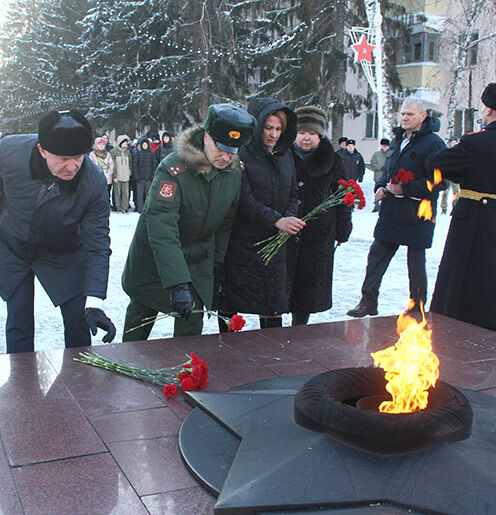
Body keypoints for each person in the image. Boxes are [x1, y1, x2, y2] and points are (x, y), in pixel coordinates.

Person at [0, 110, 116, 351]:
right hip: (12, 244)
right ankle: (21, 373)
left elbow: (98, 242)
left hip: (63, 249)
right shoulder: (9, 153)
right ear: (42, 150)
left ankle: (80, 371)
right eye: (63, 159)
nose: (72, 167)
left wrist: (94, 302)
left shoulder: (93, 181)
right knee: (19, 318)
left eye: (78, 157)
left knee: (78, 317)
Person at [121, 103, 257, 340]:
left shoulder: (234, 172)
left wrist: (217, 264)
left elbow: (225, 222)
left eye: (233, 151)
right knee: (139, 323)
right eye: (221, 148)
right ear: (206, 137)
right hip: (155, 259)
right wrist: (177, 283)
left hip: (197, 260)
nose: (226, 157)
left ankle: (187, 365)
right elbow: (162, 227)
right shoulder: (173, 170)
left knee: (192, 325)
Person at [427, 81, 496, 333]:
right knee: (493, 278)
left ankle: (453, 331)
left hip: (471, 217)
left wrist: (463, 172)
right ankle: (490, 331)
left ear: (489, 110)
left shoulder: (475, 143)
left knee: (460, 279)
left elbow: (437, 163)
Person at [347, 97, 446, 317]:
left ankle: (417, 307)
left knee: (416, 262)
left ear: (423, 116)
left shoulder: (434, 144)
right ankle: (368, 302)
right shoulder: (397, 139)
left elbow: (440, 181)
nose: (405, 118)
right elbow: (389, 171)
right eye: (403, 113)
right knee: (376, 256)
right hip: (392, 211)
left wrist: (406, 189)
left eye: (410, 114)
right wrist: (381, 187)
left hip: (418, 212)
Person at [220, 98, 301, 330]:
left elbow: (294, 192)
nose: (273, 134)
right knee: (232, 303)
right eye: (268, 128)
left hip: (275, 243)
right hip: (243, 244)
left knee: (272, 305)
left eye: (278, 129)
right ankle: (227, 346)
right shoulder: (241, 154)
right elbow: (244, 199)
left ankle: (272, 349)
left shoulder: (285, 155)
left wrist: (288, 220)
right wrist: (277, 220)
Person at [286, 106, 353, 326]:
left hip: (317, 235)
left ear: (320, 135)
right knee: (281, 285)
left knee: (306, 289)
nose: (306, 138)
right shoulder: (283, 156)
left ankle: (299, 329)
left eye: (312, 133)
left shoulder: (334, 161)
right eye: (302, 132)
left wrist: (343, 230)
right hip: (285, 231)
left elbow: (344, 197)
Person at [132, 137, 158, 212]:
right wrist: (136, 176)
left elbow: (154, 166)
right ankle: (140, 208)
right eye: (143, 144)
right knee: (139, 195)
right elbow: (135, 166)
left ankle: (148, 208)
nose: (145, 146)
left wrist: (152, 176)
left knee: (148, 195)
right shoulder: (138, 154)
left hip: (148, 178)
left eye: (146, 144)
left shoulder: (152, 154)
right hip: (140, 178)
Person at [89, 136, 115, 209]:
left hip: (106, 177)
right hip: (96, 178)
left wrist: (108, 173)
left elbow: (111, 164)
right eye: (99, 144)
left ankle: (106, 206)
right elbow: (90, 165)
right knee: (97, 194)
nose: (101, 146)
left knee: (107, 193)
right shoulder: (92, 154)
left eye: (103, 144)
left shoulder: (108, 154)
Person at [439, 137, 461, 214]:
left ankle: (455, 207)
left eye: (455, 142)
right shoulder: (447, 151)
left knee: (456, 193)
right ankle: (443, 208)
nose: (454, 144)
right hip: (447, 175)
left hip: (456, 175)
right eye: (452, 142)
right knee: (445, 193)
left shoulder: (459, 152)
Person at [112, 135, 132, 213]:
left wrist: (130, 172)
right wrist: (114, 176)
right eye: (124, 142)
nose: (126, 144)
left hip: (126, 175)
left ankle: (125, 207)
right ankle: (118, 207)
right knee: (117, 193)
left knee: (126, 193)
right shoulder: (113, 152)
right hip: (117, 175)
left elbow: (130, 163)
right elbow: (112, 165)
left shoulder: (128, 152)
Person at [369, 138, 390, 212]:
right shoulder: (376, 154)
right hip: (378, 175)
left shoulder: (391, 154)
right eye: (383, 145)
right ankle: (376, 205)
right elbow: (373, 164)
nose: (385, 147)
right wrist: (380, 167)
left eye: (386, 146)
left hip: (388, 176)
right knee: (377, 190)